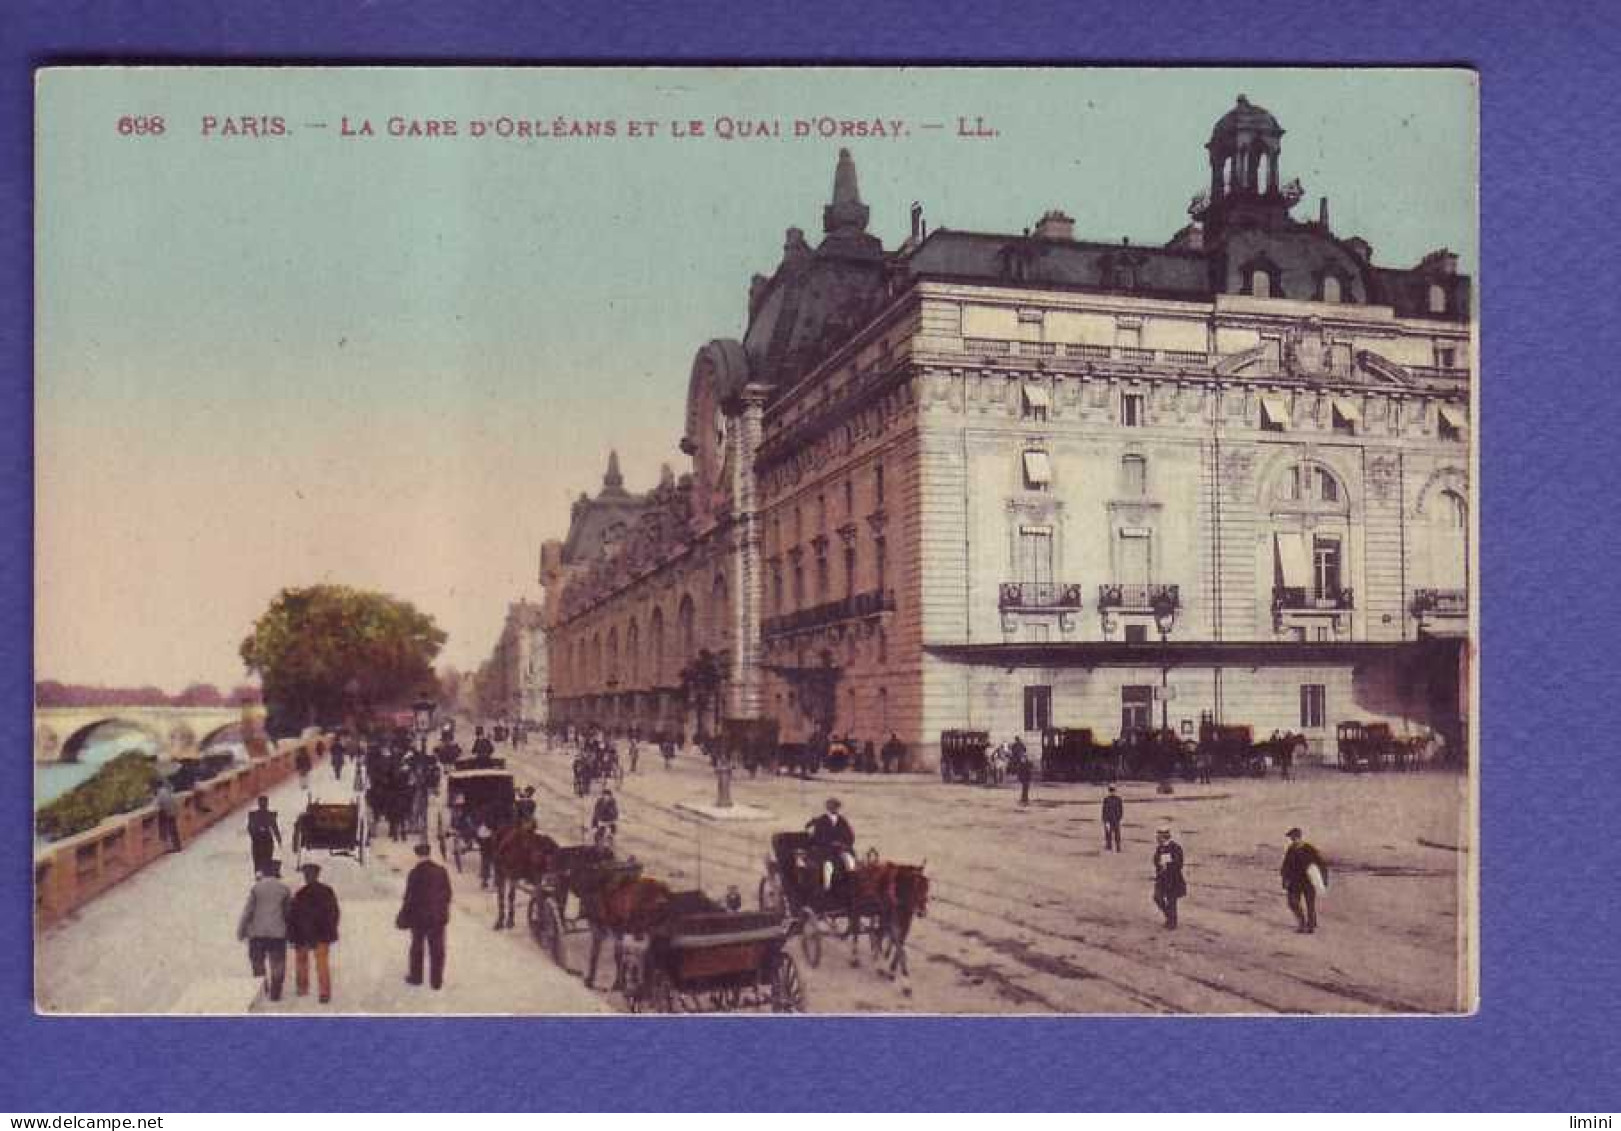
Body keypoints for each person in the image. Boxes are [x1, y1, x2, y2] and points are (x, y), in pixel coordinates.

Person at [398, 843, 452, 990]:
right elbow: (447, 893)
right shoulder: (441, 871)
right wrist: (441, 909)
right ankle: (436, 981)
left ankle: (416, 977)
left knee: (417, 946)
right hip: (437, 917)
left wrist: (403, 914)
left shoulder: (414, 873)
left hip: (419, 917)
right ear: (429, 853)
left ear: (417, 855)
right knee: (438, 949)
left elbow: (409, 897)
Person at [237, 859, 291, 1000]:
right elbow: (288, 914)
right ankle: (275, 993)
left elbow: (248, 911)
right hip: (277, 934)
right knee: (277, 963)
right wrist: (291, 932)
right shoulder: (284, 889)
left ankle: (261, 989)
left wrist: (241, 930)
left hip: (257, 933)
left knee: (257, 962)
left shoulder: (256, 888)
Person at [288, 862, 341, 1003]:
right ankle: (324, 993)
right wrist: (332, 929)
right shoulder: (327, 891)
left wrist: (293, 935)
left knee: (301, 961)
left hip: (303, 934)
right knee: (322, 963)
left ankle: (302, 988)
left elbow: (293, 915)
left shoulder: (300, 893)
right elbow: (334, 913)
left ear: (306, 877)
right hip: (323, 934)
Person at [1280, 827, 1328, 934]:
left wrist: (1323, 881)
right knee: (1292, 903)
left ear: (1299, 837)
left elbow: (1321, 865)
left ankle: (1310, 925)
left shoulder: (1309, 849)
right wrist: (1284, 878)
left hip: (1308, 882)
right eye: (1291, 838)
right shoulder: (1291, 849)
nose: (1293, 840)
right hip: (1294, 882)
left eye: (1294, 837)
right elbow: (1286, 865)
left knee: (1310, 904)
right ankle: (1302, 922)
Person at [806, 798, 856, 891]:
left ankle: (851, 887)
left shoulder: (842, 821)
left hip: (840, 850)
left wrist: (843, 843)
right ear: (828, 807)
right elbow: (817, 837)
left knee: (850, 862)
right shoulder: (821, 821)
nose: (833, 808)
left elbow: (849, 835)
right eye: (831, 806)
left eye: (835, 807)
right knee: (828, 867)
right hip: (826, 851)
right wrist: (830, 843)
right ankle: (826, 889)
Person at [1152, 825, 1187, 929]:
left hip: (1173, 879)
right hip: (1162, 879)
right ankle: (1170, 917)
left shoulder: (1175, 847)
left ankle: (1172, 922)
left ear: (1164, 836)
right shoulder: (1160, 848)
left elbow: (1179, 863)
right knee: (1157, 897)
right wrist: (1159, 864)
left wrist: (1168, 864)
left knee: (1172, 901)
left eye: (1159, 836)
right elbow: (1155, 860)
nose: (1157, 838)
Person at [246, 796, 282, 877]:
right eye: (261, 803)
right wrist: (253, 836)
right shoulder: (253, 815)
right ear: (259, 804)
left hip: (266, 839)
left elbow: (275, 827)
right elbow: (249, 828)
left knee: (266, 858)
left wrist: (278, 838)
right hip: (258, 839)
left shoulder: (269, 815)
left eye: (264, 803)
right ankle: (259, 874)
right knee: (257, 858)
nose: (263, 805)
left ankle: (265, 873)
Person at [154, 777, 182, 852]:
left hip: (167, 813)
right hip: (172, 811)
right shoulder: (168, 790)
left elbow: (157, 805)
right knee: (174, 830)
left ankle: (171, 847)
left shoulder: (159, 793)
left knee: (168, 830)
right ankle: (178, 846)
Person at [1102, 785, 1124, 852]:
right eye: (1111, 791)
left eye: (1113, 791)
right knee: (1108, 833)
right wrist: (1105, 820)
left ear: (1115, 791)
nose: (1112, 792)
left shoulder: (1119, 799)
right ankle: (1109, 846)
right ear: (1109, 791)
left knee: (1117, 834)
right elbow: (1104, 810)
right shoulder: (1106, 799)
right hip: (1108, 819)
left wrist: (1119, 817)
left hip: (1116, 819)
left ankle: (1118, 847)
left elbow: (1121, 809)